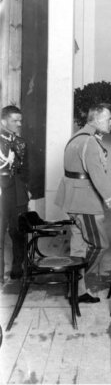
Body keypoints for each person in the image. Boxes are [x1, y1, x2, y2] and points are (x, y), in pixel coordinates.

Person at [55, 104, 111, 303]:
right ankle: (74, 278)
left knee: (79, 247)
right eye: (108, 119)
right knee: (100, 244)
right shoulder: (90, 142)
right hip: (85, 203)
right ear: (96, 120)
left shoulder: (76, 138)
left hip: (72, 201)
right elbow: (98, 177)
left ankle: (77, 291)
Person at [0, 106, 29, 279]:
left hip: (18, 191)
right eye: (14, 121)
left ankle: (17, 267)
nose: (19, 124)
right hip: (1, 190)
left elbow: (26, 169)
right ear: (4, 121)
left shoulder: (21, 142)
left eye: (20, 121)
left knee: (19, 230)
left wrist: (27, 189)